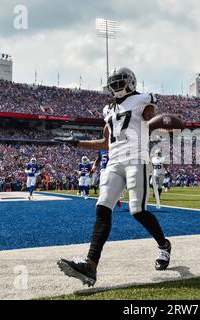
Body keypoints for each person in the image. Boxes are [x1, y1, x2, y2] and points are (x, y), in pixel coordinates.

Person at [56, 67, 179, 287]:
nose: (116, 87)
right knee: (102, 208)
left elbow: (152, 123)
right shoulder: (108, 109)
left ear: (131, 82)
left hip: (136, 158)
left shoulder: (143, 99)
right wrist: (78, 143)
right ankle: (90, 267)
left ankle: (163, 245)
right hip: (114, 161)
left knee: (138, 211)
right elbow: (106, 142)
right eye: (113, 83)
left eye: (120, 82)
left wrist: (165, 127)